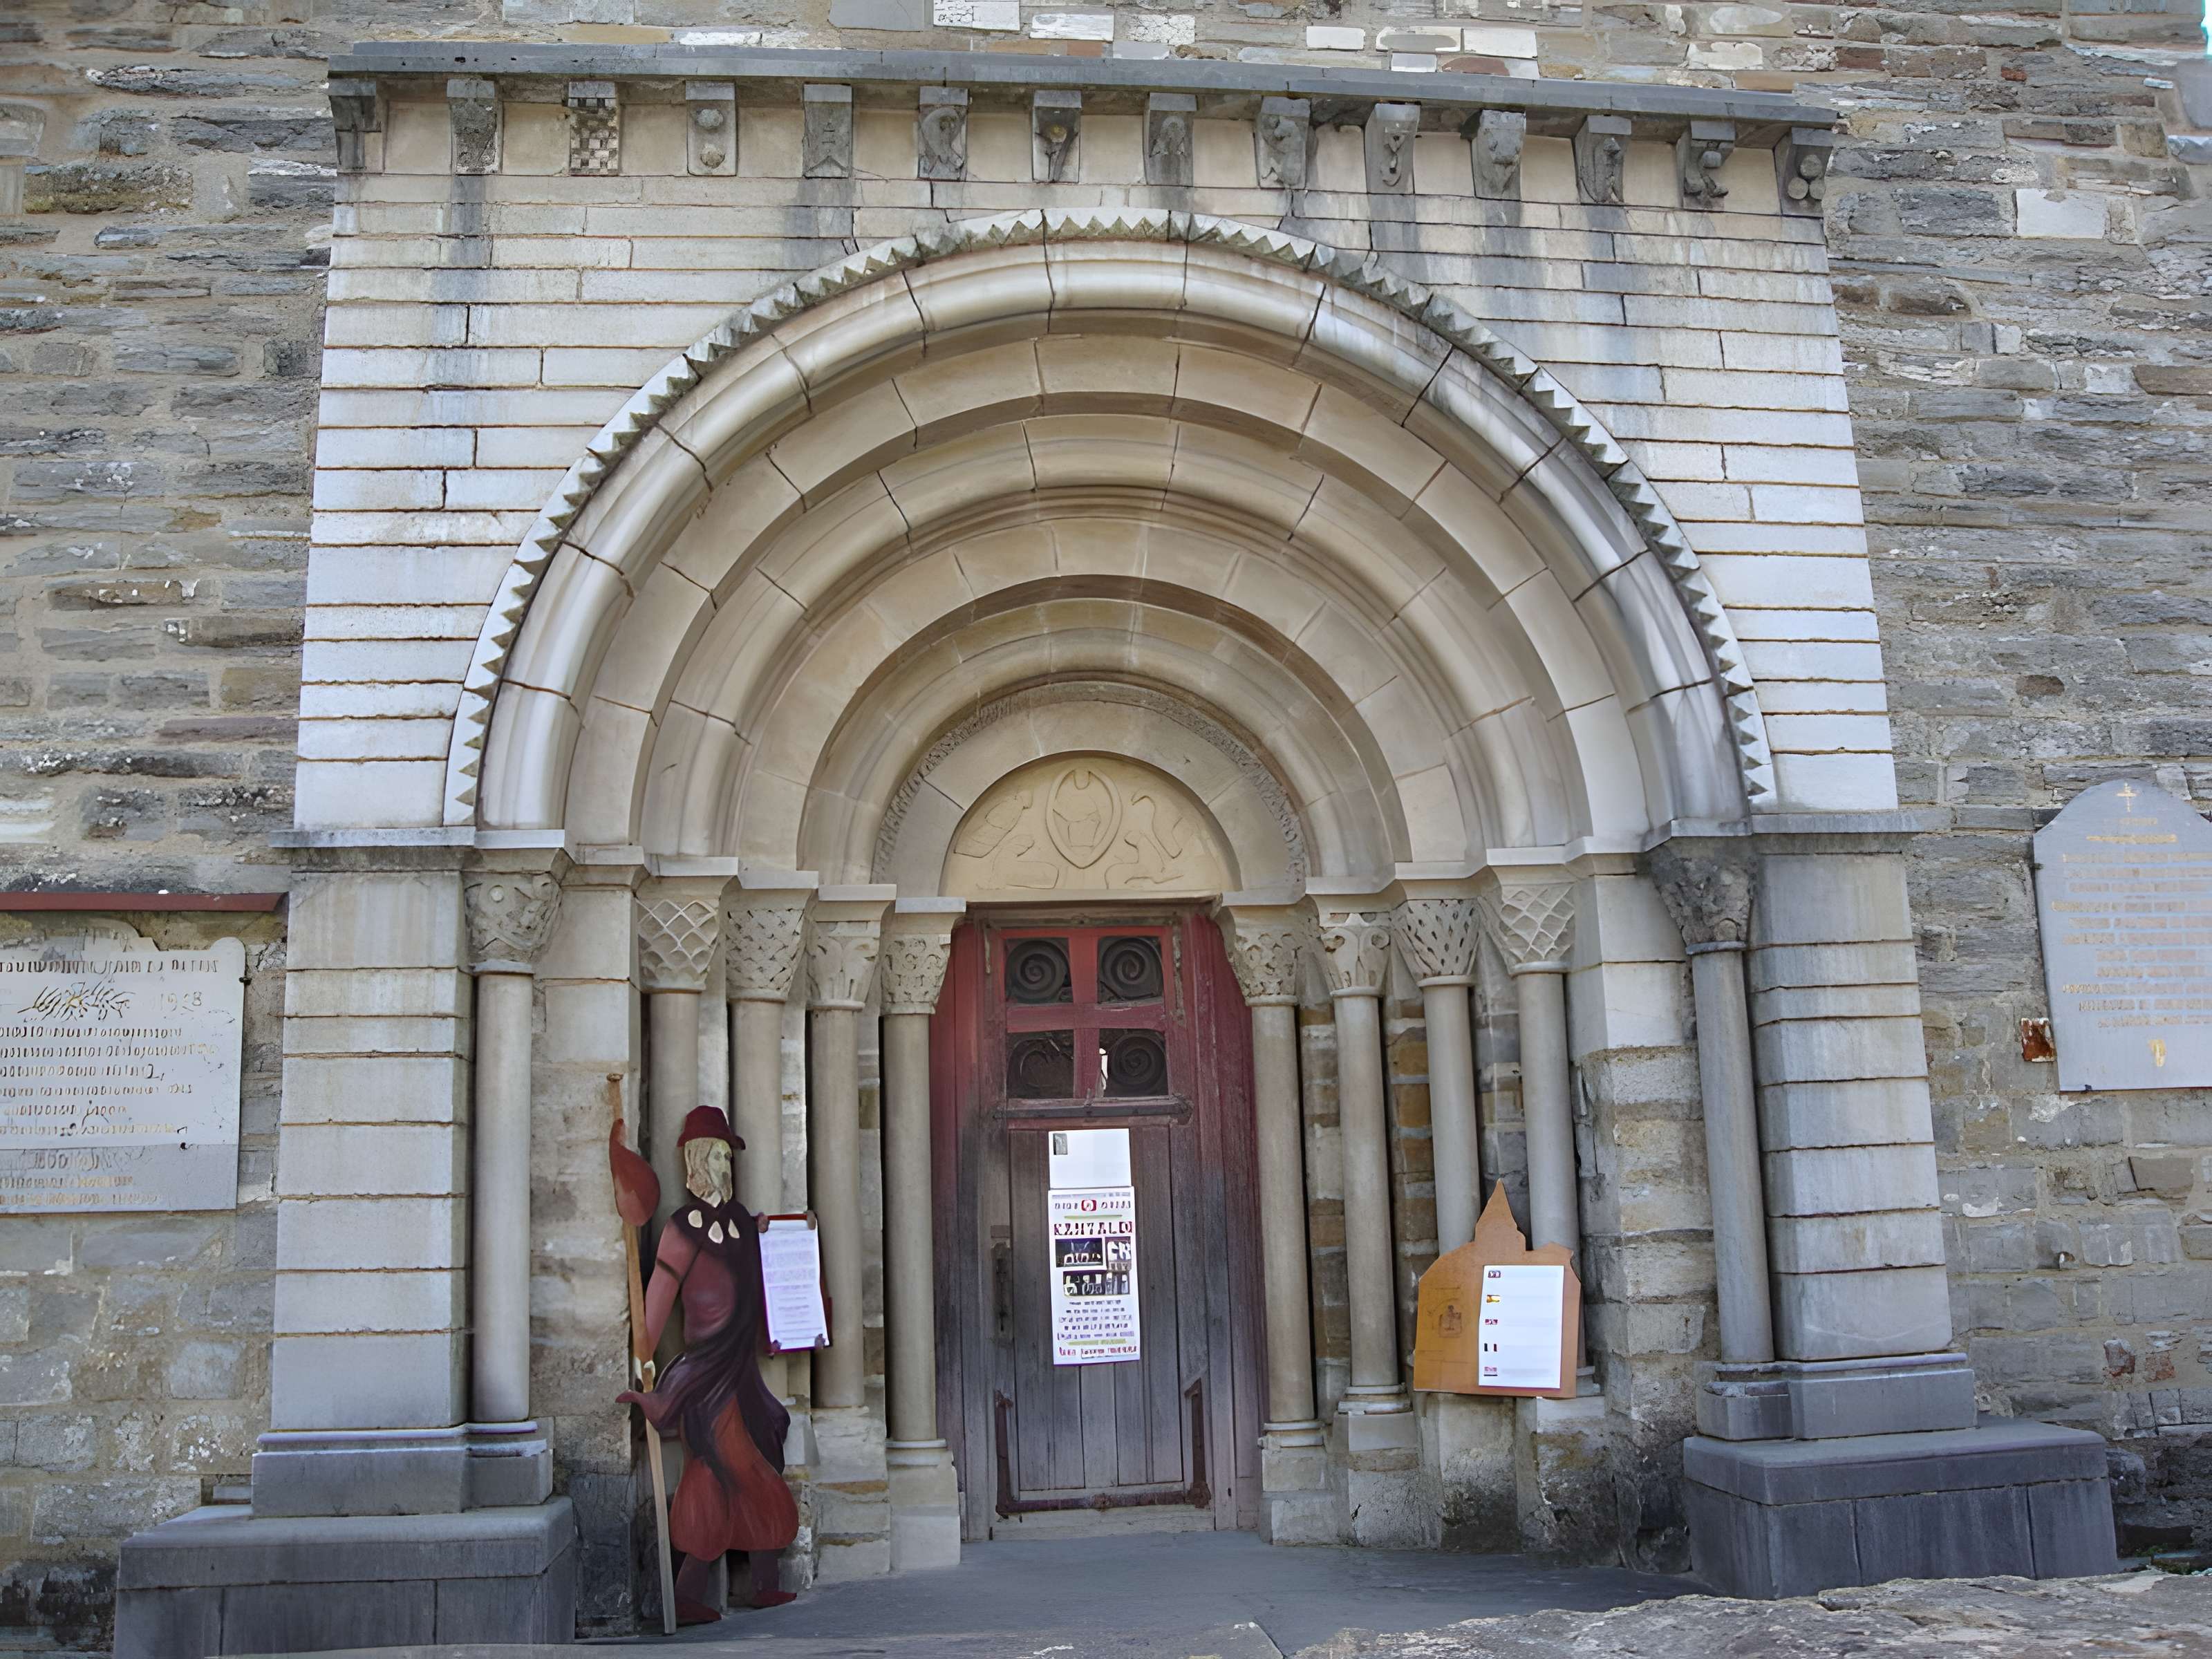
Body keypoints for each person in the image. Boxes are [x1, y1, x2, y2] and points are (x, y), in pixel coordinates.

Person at [618, 1105, 799, 1624]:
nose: (726, 1163)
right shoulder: (681, 1230)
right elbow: (658, 1298)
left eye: (729, 1154)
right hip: (706, 1373)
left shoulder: (742, 1220)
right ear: (697, 1159)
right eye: (719, 1153)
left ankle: (760, 1585)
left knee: (765, 1449)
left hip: (741, 1368)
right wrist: (644, 1353)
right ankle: (687, 1596)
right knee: (726, 1468)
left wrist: (789, 1232)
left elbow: (764, 1264)